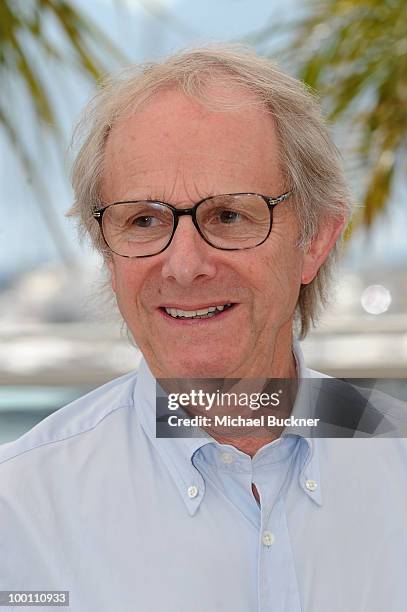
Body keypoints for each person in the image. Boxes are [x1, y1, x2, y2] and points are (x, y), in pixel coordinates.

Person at [1, 45, 406, 612]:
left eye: (230, 215)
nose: (185, 264)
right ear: (106, 252)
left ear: (315, 240)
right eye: (144, 220)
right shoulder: (18, 515)